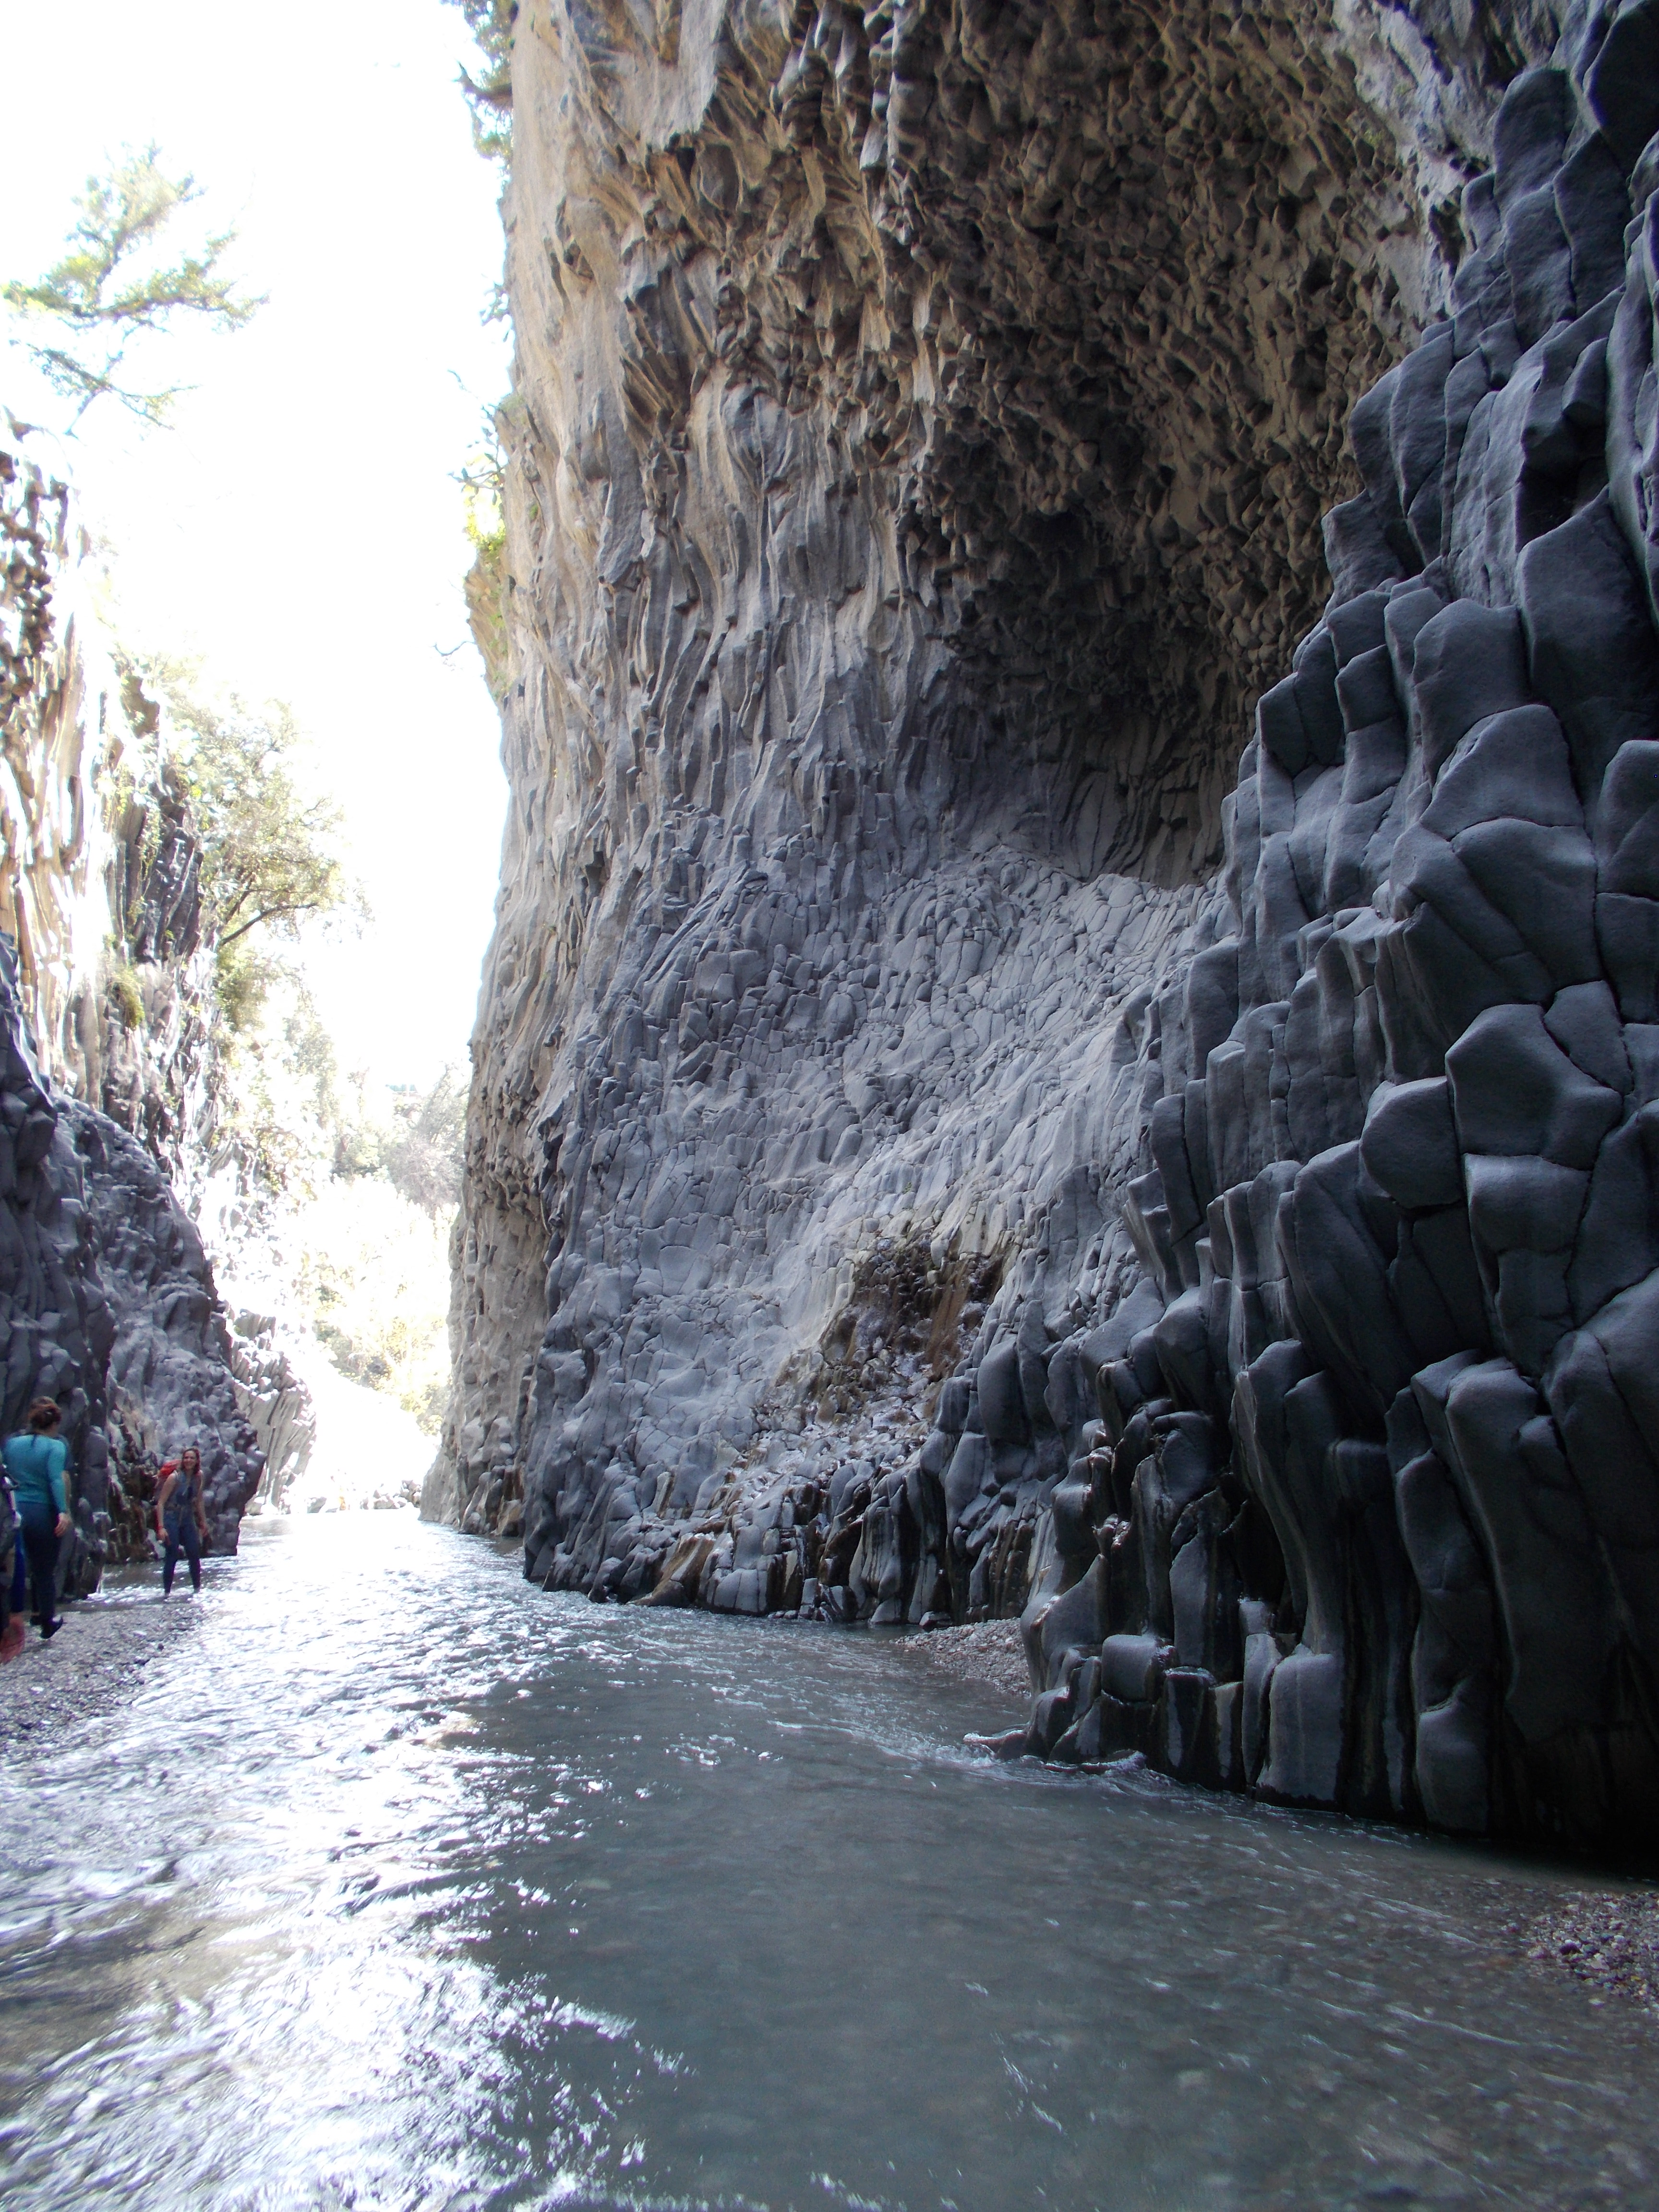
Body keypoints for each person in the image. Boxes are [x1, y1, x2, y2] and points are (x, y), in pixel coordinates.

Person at [2, 1399, 71, 1640]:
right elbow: (55, 1479)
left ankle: (11, 1618)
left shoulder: (12, 1444)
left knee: (15, 1566)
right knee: (44, 1570)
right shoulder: (56, 1447)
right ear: (54, 1424)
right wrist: (62, 1511)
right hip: (43, 1512)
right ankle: (46, 1619)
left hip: (13, 1510)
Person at [156, 1447, 209, 1597]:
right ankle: (167, 1593)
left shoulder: (199, 1477)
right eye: (186, 1458)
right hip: (171, 1517)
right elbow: (161, 1503)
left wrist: (203, 1522)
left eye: (192, 1458)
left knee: (194, 1552)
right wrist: (161, 1527)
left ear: (197, 1461)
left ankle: (197, 1590)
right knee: (172, 1554)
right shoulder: (174, 1478)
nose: (188, 1461)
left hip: (187, 1517)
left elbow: (199, 1501)